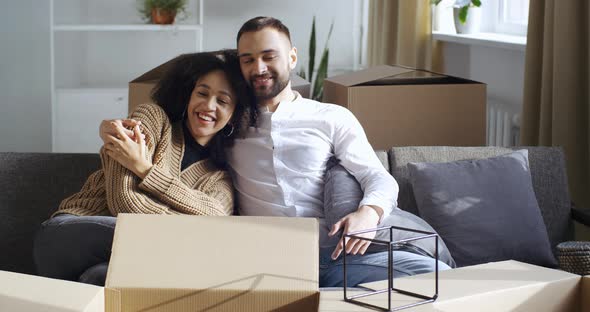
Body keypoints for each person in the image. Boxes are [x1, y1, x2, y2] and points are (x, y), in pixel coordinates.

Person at [100, 17, 451, 287]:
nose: (259, 68)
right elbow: (170, 125)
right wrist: (112, 128)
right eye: (248, 59)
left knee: (432, 274)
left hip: (335, 253)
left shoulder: (331, 117)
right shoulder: (227, 118)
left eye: (269, 56)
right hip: (264, 256)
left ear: (293, 57)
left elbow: (377, 176)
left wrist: (369, 214)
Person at [33, 50, 253, 286]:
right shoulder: (152, 119)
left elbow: (217, 218)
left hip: (125, 256)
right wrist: (190, 226)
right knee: (191, 246)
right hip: (69, 236)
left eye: (222, 100)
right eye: (202, 93)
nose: (208, 105)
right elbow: (124, 201)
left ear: (232, 116)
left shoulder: (220, 178)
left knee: (101, 276)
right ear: (189, 95)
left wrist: (145, 169)